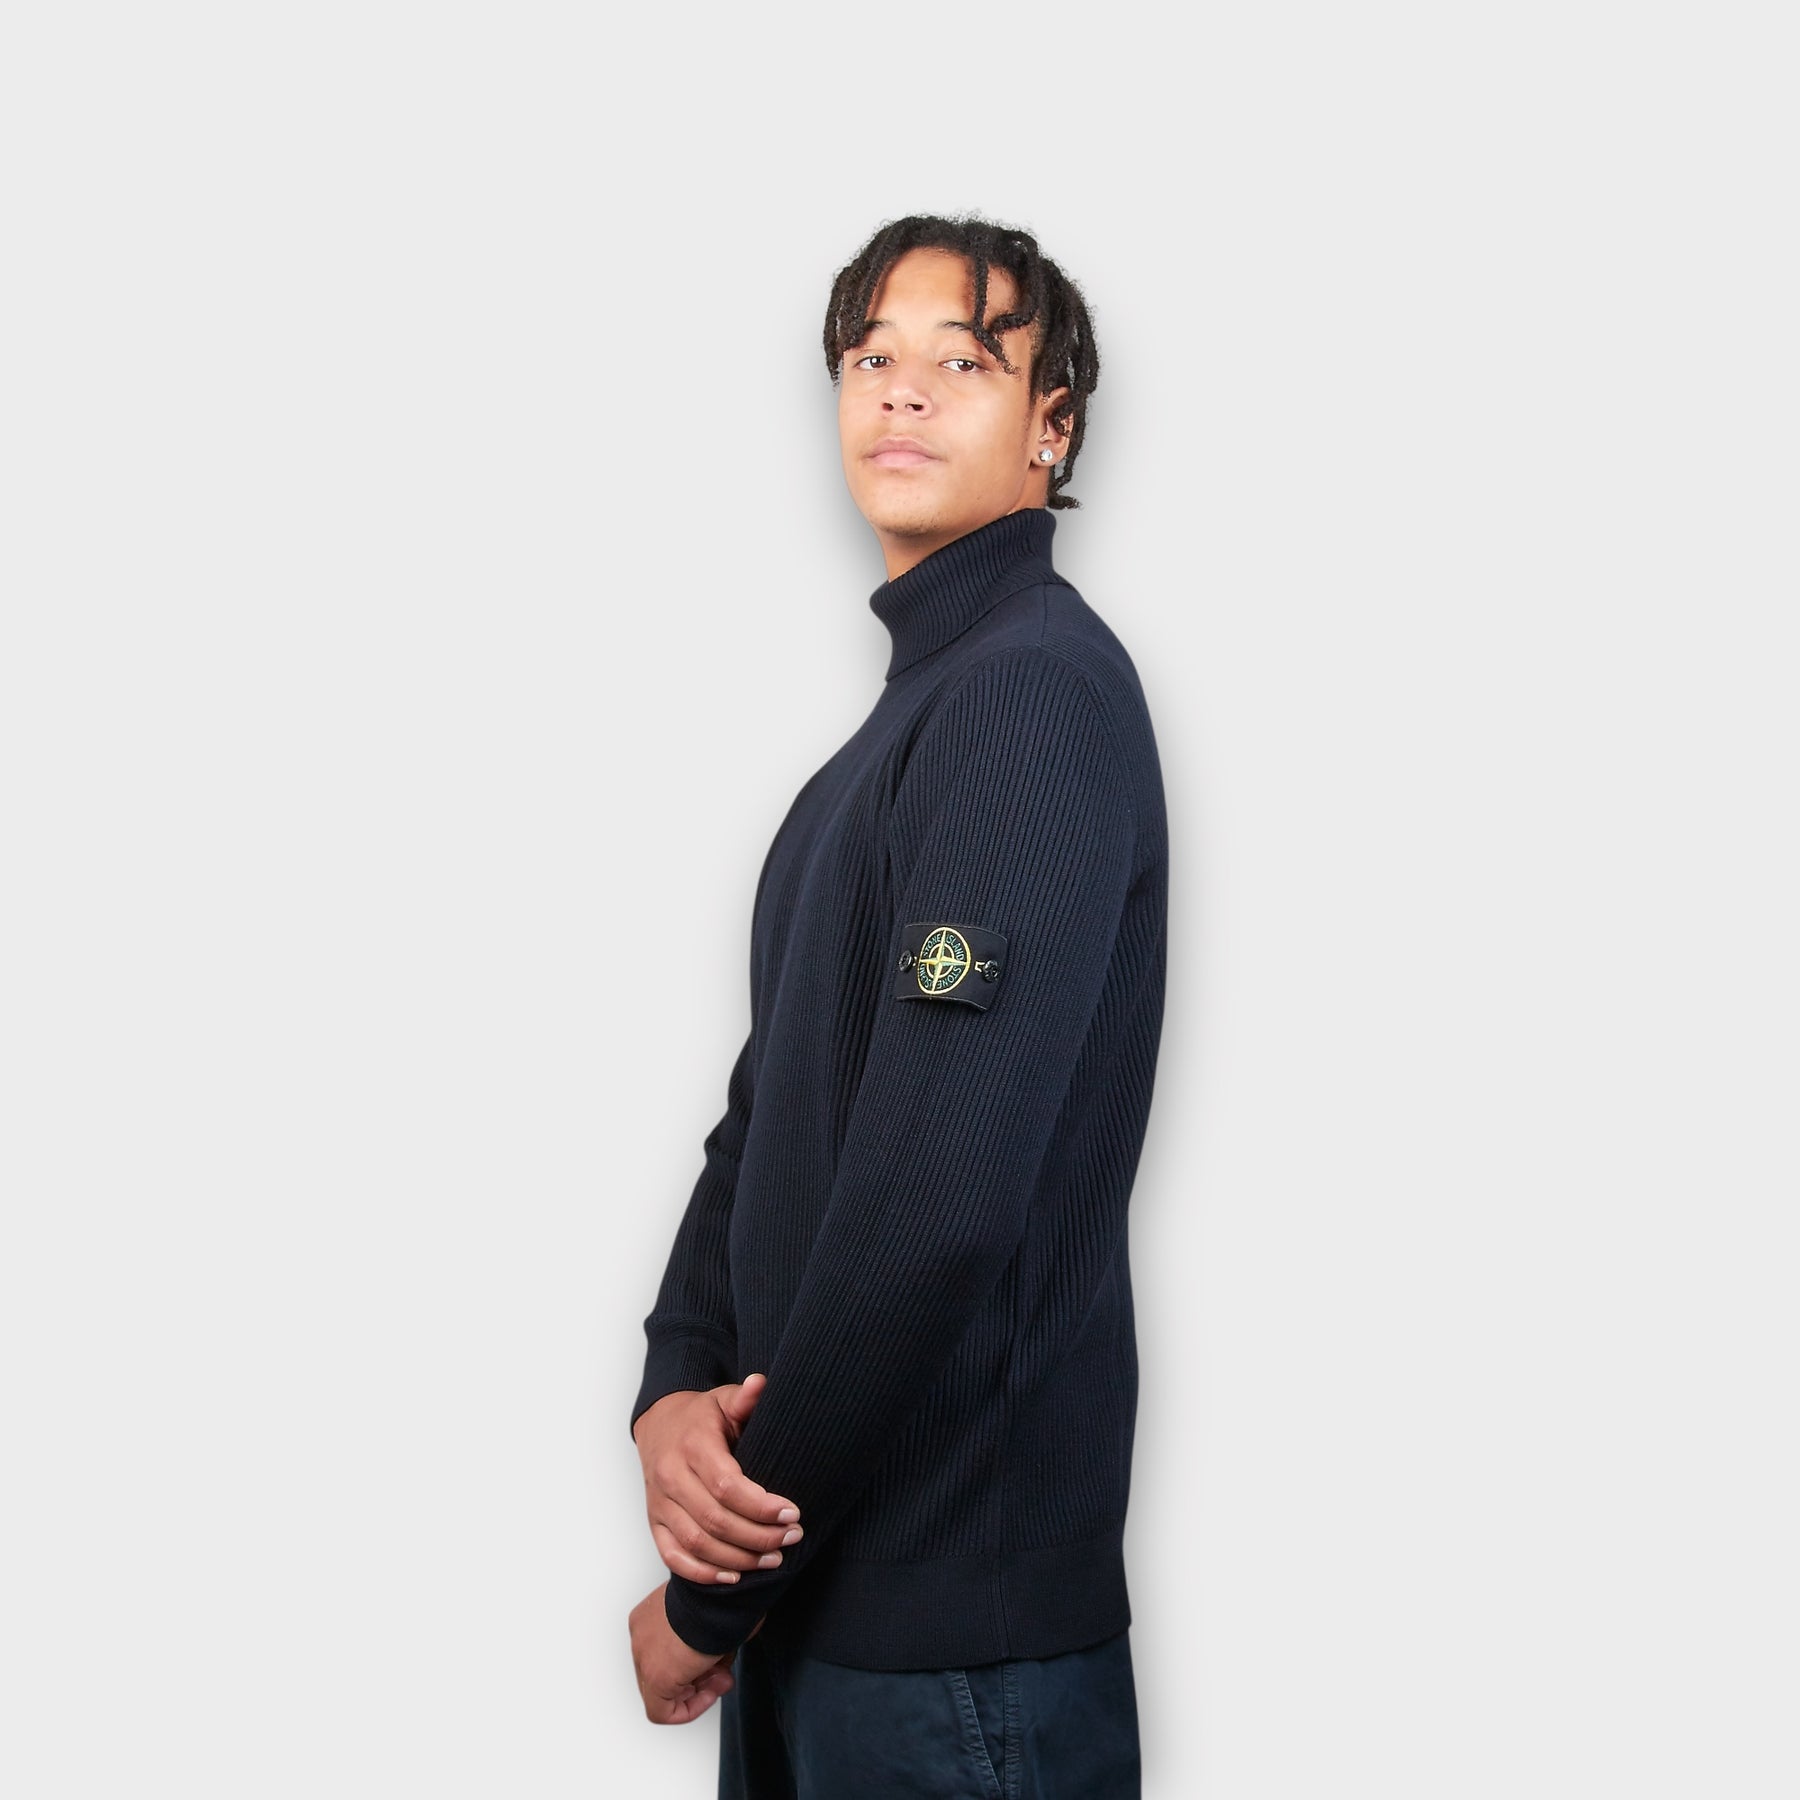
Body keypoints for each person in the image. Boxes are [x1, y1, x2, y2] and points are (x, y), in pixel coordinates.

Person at [626, 212, 1168, 1799]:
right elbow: (769, 1111)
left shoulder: (1030, 698)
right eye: (873, 357)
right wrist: (672, 1384)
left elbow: (936, 1201)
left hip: (955, 1664)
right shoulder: (895, 738)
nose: (904, 392)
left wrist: (714, 1591)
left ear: (1051, 428)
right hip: (828, 1617)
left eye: (966, 361)